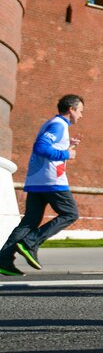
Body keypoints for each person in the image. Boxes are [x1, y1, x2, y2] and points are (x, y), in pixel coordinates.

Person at [0, 94, 84, 276]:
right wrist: (66, 155)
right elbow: (40, 147)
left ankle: (4, 259)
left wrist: (66, 145)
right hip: (52, 180)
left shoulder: (52, 123)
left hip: (36, 180)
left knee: (30, 221)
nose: (81, 115)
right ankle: (31, 243)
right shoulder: (59, 125)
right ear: (71, 109)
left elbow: (47, 144)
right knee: (70, 213)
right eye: (80, 111)